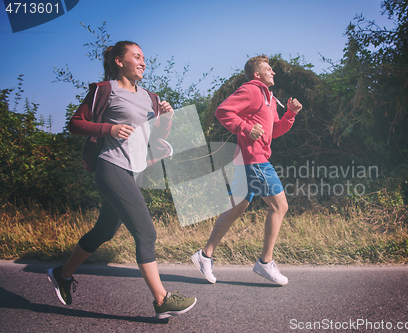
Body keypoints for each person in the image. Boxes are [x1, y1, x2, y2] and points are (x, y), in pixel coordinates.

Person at [47, 41, 196, 320]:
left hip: (133, 170)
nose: (142, 62)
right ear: (119, 60)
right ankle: (162, 299)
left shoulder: (150, 97)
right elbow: (76, 123)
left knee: (104, 231)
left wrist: (167, 118)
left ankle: (62, 274)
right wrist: (110, 128)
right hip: (111, 167)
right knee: (146, 233)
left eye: (144, 58)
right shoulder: (105, 90)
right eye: (136, 56)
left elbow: (156, 137)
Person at [191, 55, 302, 285]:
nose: (273, 72)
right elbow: (223, 111)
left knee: (236, 207)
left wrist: (290, 114)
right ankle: (265, 263)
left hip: (247, 160)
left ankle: (204, 255)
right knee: (280, 207)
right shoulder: (251, 91)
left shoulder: (269, 98)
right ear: (256, 74)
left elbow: (273, 131)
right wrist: (245, 127)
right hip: (255, 160)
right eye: (268, 68)